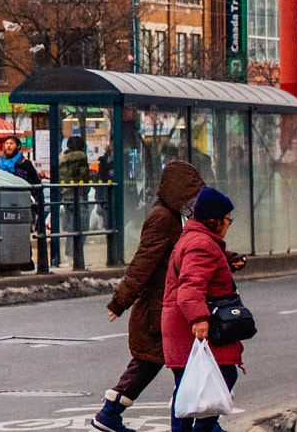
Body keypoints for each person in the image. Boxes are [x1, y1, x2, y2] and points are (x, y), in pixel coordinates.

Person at [93, 160, 204, 431]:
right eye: (190, 192)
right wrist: (121, 300)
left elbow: (189, 252)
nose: (194, 199)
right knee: (180, 367)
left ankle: (110, 413)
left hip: (162, 305)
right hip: (157, 307)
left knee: (148, 364)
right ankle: (197, 426)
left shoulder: (174, 215)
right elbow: (143, 260)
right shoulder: (163, 218)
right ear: (177, 190)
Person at [162, 186, 246, 432]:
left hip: (181, 327)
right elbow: (190, 286)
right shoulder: (201, 244)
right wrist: (199, 318)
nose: (229, 224)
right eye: (228, 219)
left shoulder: (196, 239)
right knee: (223, 377)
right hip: (193, 328)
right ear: (214, 220)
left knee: (188, 390)